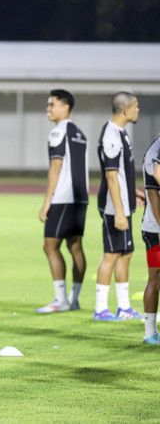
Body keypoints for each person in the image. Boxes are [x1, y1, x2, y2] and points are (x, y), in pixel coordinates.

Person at [36, 90, 88, 313]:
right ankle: (73, 299)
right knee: (75, 246)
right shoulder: (79, 133)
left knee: (50, 246)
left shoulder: (58, 132)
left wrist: (47, 200)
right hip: (80, 198)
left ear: (65, 107)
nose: (48, 109)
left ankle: (60, 300)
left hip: (63, 198)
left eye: (52, 104)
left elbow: (56, 166)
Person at [95, 91, 142, 321]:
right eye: (136, 106)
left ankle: (124, 307)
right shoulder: (111, 136)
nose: (138, 110)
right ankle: (101, 309)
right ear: (126, 109)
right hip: (115, 208)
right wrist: (120, 212)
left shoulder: (121, 133)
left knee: (126, 254)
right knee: (111, 255)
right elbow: (111, 177)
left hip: (123, 204)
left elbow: (121, 175)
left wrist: (133, 194)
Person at [140, 133, 160, 343]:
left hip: (154, 226)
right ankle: (150, 333)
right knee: (155, 277)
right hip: (155, 229)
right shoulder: (156, 151)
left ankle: (150, 332)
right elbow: (153, 193)